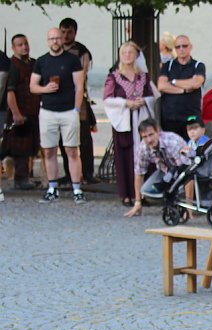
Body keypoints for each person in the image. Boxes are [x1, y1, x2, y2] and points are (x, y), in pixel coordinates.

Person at [30, 27, 85, 204]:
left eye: (57, 38)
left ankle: (77, 189)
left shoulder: (72, 60)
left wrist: (76, 109)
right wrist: (45, 89)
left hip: (68, 111)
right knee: (49, 151)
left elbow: (79, 86)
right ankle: (52, 188)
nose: (54, 41)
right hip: (47, 111)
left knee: (72, 151)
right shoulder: (41, 61)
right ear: (47, 41)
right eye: (51, 38)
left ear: (62, 39)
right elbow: (33, 86)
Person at [103, 41, 156, 207]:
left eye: (130, 52)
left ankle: (143, 193)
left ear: (136, 55)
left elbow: (153, 95)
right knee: (125, 156)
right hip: (125, 120)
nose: (127, 55)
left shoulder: (143, 76)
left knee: (145, 155)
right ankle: (126, 193)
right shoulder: (114, 77)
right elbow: (107, 99)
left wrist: (144, 101)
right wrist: (125, 103)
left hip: (141, 120)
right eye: (124, 52)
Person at [58, 18, 98, 186]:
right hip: (59, 99)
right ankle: (69, 173)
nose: (65, 35)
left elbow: (82, 76)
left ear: (75, 32)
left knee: (83, 137)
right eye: (63, 31)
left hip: (77, 98)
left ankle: (87, 173)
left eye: (69, 32)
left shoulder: (82, 51)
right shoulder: (56, 50)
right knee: (62, 138)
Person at [124, 118, 190, 217]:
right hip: (166, 170)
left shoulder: (172, 142)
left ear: (158, 132)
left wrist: (189, 208)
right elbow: (139, 173)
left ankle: (184, 200)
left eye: (151, 135)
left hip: (184, 169)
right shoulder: (142, 148)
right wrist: (138, 202)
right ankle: (170, 196)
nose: (149, 140)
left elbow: (188, 172)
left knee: (179, 183)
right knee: (146, 190)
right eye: (145, 137)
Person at [4, 34, 41, 192]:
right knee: (18, 147)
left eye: (25, 43)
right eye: (20, 45)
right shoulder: (13, 65)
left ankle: (26, 176)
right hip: (19, 112)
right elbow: (10, 92)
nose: (24, 47)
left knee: (29, 146)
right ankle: (20, 179)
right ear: (14, 48)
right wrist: (16, 113)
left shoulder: (33, 64)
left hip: (33, 111)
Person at [157, 35, 206, 139]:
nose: (181, 49)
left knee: (191, 150)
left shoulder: (198, 65)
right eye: (178, 47)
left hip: (191, 118)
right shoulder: (168, 65)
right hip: (170, 118)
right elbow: (161, 85)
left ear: (190, 47)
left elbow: (196, 83)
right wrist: (183, 90)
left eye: (184, 46)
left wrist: (173, 81)